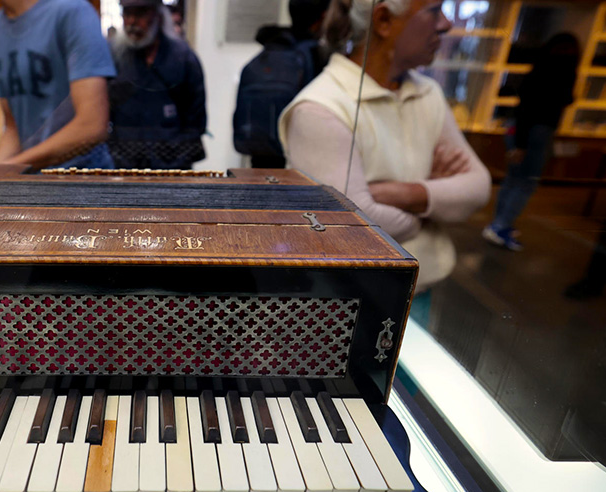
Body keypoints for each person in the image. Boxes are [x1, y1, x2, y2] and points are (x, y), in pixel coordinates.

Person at [280, 0, 490, 292]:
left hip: (420, 287)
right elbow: (350, 226)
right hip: (353, 302)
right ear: (383, 21)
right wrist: (432, 206)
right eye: (432, 11)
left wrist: (400, 193)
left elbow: (478, 186)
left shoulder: (427, 92)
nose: (445, 23)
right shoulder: (320, 108)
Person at [0, 0, 116, 169]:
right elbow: (14, 127)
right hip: (33, 181)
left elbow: (92, 126)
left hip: (83, 178)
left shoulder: (73, 11)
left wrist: (11, 168)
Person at [482, 33, 580, 251]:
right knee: (525, 182)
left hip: (522, 131)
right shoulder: (555, 74)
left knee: (514, 180)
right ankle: (500, 226)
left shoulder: (541, 70)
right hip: (532, 133)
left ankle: (500, 224)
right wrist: (521, 144)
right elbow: (530, 109)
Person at [107, 0, 206, 170]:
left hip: (171, 166)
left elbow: (195, 118)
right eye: (127, 14)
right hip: (124, 166)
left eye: (139, 14)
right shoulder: (115, 57)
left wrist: (179, 160)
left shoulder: (183, 58)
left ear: (158, 16)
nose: (131, 22)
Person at [233, 0, 330, 168]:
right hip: (299, 157)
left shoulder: (270, 49)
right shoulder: (315, 55)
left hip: (259, 152)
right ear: (323, 17)